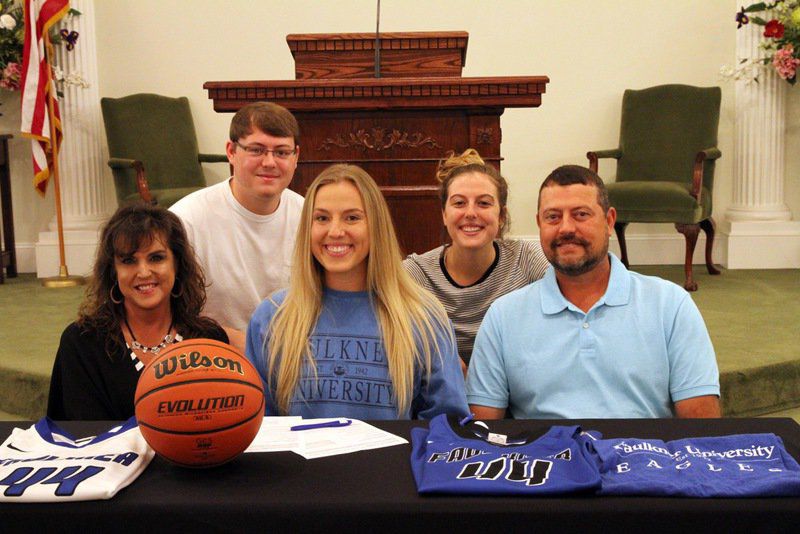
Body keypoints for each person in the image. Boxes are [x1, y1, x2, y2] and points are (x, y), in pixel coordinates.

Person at [467, 165, 721, 419]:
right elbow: (483, 430)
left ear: (609, 221)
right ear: (539, 224)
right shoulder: (504, 316)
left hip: (642, 455)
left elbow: (701, 428)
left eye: (580, 214)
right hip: (548, 456)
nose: (566, 228)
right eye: (553, 217)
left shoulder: (670, 305)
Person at [246, 164, 468, 420]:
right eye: (322, 218)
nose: (336, 231)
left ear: (376, 227)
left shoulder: (425, 318)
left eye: (352, 217)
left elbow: (448, 428)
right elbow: (258, 426)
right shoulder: (272, 316)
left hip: (391, 461)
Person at [47, 204, 228, 420]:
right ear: (113, 271)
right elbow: (80, 436)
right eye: (129, 261)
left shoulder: (210, 340)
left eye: (156, 258)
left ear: (177, 264)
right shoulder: (82, 342)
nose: (143, 272)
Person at [170, 102, 304, 351]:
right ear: (231, 151)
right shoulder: (185, 220)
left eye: (282, 152)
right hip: (213, 354)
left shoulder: (309, 217)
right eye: (256, 150)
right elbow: (167, 311)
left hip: (291, 356)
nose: (270, 162)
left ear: (296, 157)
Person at [403, 149, 549, 371]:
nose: (470, 213)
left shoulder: (525, 260)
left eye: (483, 203)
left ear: (501, 216)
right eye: (459, 203)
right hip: (441, 396)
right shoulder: (416, 273)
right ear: (444, 214)